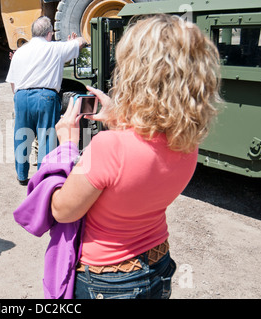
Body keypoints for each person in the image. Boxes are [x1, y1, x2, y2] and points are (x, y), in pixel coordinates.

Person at [49, 14, 222, 298]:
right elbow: (147, 151)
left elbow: (62, 210)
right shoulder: (188, 143)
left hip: (108, 280)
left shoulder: (108, 147)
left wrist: (66, 145)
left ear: (136, 74)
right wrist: (119, 118)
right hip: (158, 263)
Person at [6, 16, 86, 185]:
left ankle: (21, 176)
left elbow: (12, 82)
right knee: (46, 137)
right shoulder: (55, 48)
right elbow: (81, 41)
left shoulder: (20, 51)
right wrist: (74, 40)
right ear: (49, 33)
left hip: (21, 96)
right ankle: (43, 176)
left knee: (22, 137)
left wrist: (20, 98)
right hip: (45, 97)